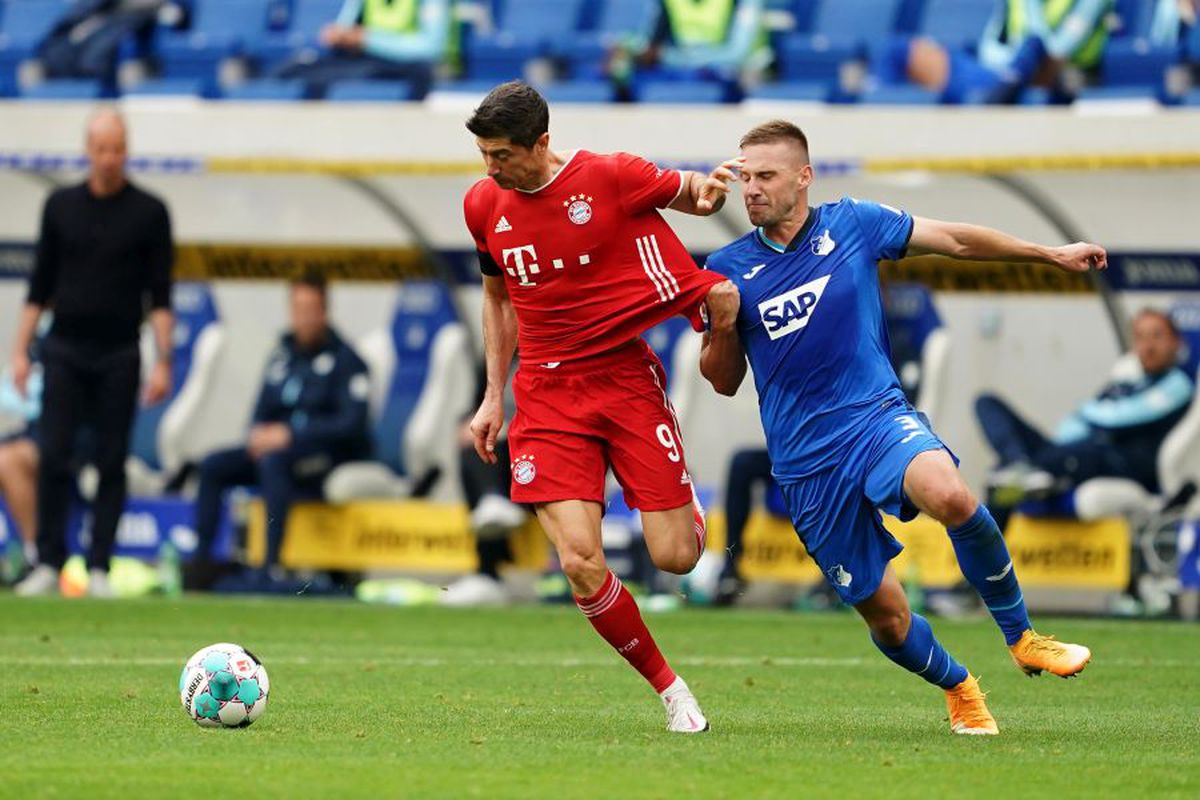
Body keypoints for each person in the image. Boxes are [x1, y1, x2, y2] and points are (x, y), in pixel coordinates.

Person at [698, 119, 1099, 736]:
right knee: (886, 617)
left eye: (766, 176)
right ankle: (959, 685)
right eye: (745, 176)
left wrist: (1048, 252)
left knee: (952, 495)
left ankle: (1024, 638)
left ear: (803, 178)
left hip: (876, 420)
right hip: (807, 464)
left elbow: (956, 241)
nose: (750, 189)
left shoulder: (853, 223)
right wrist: (723, 325)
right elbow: (721, 380)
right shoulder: (727, 267)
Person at [462, 81, 737, 733]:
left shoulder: (611, 176)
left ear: (543, 143)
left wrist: (712, 191)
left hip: (622, 377)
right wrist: (492, 393)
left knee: (675, 557)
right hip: (549, 394)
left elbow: (690, 194)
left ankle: (683, 506)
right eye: (483, 154)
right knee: (580, 561)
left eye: (502, 155)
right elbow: (499, 300)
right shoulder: (481, 205)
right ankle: (672, 692)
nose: (490, 168)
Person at [14, 108, 174, 599]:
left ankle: (100, 565)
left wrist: (164, 359)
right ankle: (49, 561)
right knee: (54, 456)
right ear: (88, 150)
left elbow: (160, 296)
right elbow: (40, 286)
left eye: (118, 149)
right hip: (64, 349)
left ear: (127, 150)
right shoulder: (60, 205)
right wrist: (20, 351)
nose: (110, 158)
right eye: (102, 149)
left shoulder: (150, 212)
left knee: (110, 460)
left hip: (120, 352)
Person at [187, 273, 372, 590]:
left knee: (274, 462)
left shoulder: (347, 361)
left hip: (324, 456)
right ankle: (202, 563)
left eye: (310, 309)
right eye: (297, 309)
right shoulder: (281, 356)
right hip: (275, 453)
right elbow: (260, 412)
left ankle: (271, 567)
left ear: (324, 312)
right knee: (213, 465)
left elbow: (351, 425)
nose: (303, 317)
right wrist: (258, 434)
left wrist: (292, 435)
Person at [978, 307, 1193, 528]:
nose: (1148, 346)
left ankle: (1021, 472)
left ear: (1176, 342)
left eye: (1157, 336)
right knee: (986, 403)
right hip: (1079, 451)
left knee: (1005, 483)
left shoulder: (1179, 384)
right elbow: (1070, 429)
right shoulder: (1126, 382)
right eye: (1140, 337)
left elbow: (1119, 418)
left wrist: (1087, 412)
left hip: (1121, 463)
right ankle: (1020, 462)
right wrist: (1093, 413)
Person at [885, 0, 1111, 103]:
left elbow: (1059, 49)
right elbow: (990, 45)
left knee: (1033, 47)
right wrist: (1003, 68)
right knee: (900, 49)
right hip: (1001, 73)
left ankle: (995, 90)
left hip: (1052, 74)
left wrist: (1032, 12)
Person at [274, 0, 453, 99]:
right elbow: (344, 25)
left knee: (421, 70)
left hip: (404, 66)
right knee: (294, 70)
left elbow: (431, 48)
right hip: (363, 60)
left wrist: (367, 39)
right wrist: (338, 35)